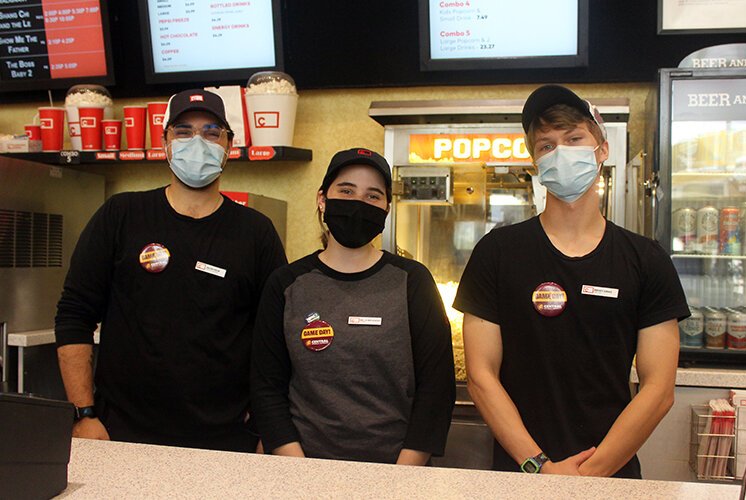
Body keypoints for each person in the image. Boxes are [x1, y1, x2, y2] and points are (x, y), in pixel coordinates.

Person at [453, 85, 690, 478]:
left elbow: (659, 389)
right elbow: (481, 376)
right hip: (521, 475)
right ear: (535, 162)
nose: (561, 152)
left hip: (611, 478)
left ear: (602, 149)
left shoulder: (646, 259)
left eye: (574, 138)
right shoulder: (496, 252)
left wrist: (590, 475)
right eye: (546, 145)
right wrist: (539, 467)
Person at [55, 89, 287, 452]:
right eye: (183, 131)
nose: (198, 142)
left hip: (226, 441)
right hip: (121, 434)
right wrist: (83, 413)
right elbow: (74, 315)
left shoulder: (256, 232)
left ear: (229, 144)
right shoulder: (121, 215)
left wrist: (263, 427)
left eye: (212, 132)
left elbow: (274, 340)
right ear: (164, 142)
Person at [251, 148, 455, 464]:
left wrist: (402, 477)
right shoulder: (286, 284)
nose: (358, 204)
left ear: (387, 208)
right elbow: (266, 388)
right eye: (346, 191)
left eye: (372, 196)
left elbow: (436, 390)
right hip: (299, 468)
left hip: (394, 471)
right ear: (322, 199)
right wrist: (296, 470)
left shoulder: (412, 281)